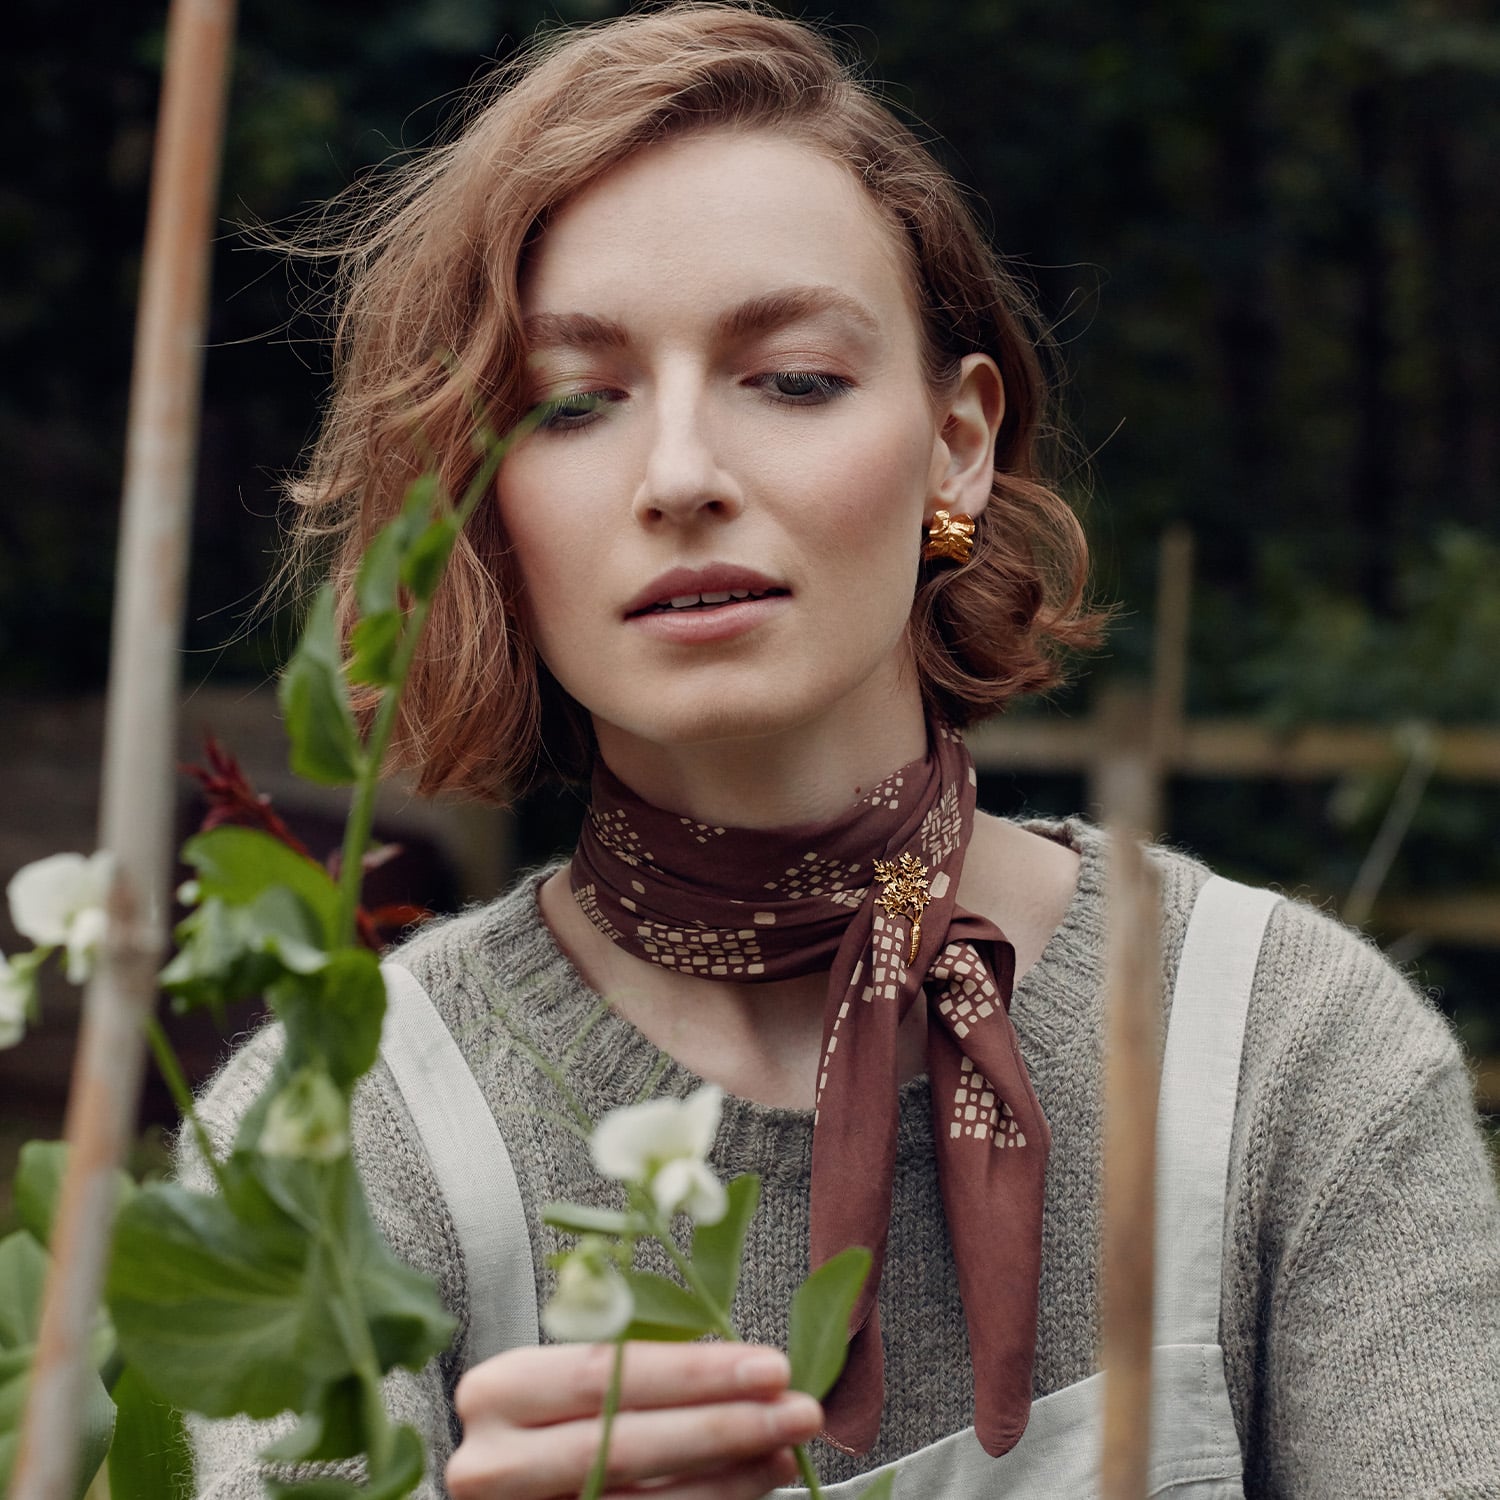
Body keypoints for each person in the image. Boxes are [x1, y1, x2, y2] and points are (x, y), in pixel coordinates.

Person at [185, 5, 1500, 1498]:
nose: (681, 476)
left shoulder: (1288, 1057)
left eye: (793, 378)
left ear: (956, 446)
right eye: (570, 404)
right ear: (483, 503)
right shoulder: (340, 1137)